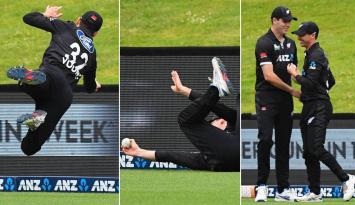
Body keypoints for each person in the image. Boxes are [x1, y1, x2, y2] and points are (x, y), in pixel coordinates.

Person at [6, 6, 103, 156]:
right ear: (95, 34)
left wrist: (46, 15)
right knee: (29, 148)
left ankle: (33, 80)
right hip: (63, 97)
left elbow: (28, 18)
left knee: (31, 83)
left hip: (51, 75)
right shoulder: (92, 56)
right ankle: (36, 120)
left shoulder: (64, 26)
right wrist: (94, 84)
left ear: (78, 20)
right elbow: (89, 88)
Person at [122, 57, 240, 172]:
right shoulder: (209, 157)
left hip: (234, 157)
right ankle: (216, 88)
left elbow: (215, 106)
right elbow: (173, 156)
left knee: (187, 120)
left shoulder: (232, 125)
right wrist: (138, 152)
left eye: (220, 120)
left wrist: (185, 90)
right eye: (217, 121)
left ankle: (216, 88)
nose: (221, 121)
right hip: (235, 157)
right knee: (186, 120)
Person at [287, 21, 355, 202]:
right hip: (311, 106)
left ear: (313, 35)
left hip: (319, 107)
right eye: (298, 34)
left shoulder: (316, 54)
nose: (299, 37)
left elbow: (309, 82)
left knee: (316, 149)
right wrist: (315, 91)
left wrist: (295, 75)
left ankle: (347, 179)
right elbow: (330, 81)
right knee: (309, 152)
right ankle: (315, 192)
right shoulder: (313, 54)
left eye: (302, 34)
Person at [254, 6, 301, 202]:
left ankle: (283, 189)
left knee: (283, 144)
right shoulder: (263, 42)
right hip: (267, 98)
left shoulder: (291, 44)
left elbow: (294, 71)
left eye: (289, 20)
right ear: (274, 20)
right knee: (265, 140)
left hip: (284, 103)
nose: (288, 24)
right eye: (284, 20)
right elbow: (269, 76)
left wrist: (304, 82)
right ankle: (262, 186)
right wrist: (292, 90)